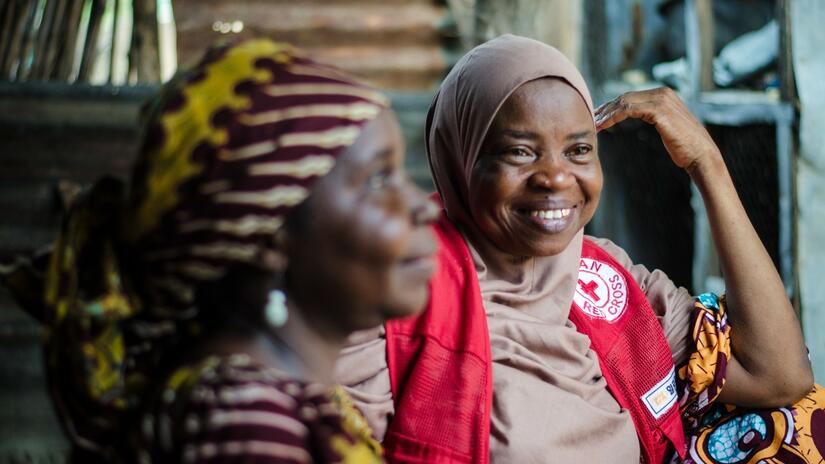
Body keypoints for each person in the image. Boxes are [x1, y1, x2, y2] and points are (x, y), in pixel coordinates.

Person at [335, 34, 824, 463]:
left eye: (579, 149)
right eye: (520, 151)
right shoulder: (390, 293)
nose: (555, 178)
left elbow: (779, 378)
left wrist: (707, 164)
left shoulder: (601, 277)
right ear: (460, 158)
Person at [2, 39, 439, 463]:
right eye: (378, 180)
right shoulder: (246, 422)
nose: (423, 206)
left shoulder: (265, 402)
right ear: (271, 235)